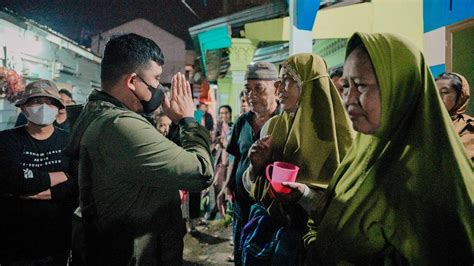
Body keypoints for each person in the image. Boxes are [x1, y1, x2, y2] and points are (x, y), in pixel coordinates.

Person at [304, 32, 474, 265]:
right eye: (346, 86)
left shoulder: (433, 183)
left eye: (361, 86)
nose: (348, 99)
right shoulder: (364, 150)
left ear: (400, 88)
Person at [67, 33, 213, 265]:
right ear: (132, 81)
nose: (158, 87)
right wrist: (188, 121)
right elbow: (200, 172)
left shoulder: (106, 117)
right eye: (155, 78)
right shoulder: (121, 126)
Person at [243, 53, 353, 264]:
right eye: (279, 81)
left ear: (308, 85)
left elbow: (346, 202)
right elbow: (251, 185)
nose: (280, 88)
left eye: (288, 80)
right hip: (276, 239)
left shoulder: (342, 135)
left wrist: (304, 195)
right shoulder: (273, 127)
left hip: (321, 244)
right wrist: (255, 167)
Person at [0, 79, 77, 265]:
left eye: (49, 102)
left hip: (56, 243)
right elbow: (13, 182)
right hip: (14, 245)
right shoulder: (7, 140)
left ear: (58, 107)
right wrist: (61, 176)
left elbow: (78, 185)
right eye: (36, 101)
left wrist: (31, 186)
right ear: (24, 107)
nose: (43, 107)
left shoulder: (70, 142)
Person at [226, 62, 280, 265]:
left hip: (269, 210)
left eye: (259, 88)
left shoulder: (284, 122)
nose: (251, 95)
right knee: (241, 253)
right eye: (248, 89)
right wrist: (228, 186)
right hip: (241, 205)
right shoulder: (242, 122)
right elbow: (236, 156)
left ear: (276, 88)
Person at [436, 72, 474, 161]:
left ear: (460, 96)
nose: (438, 97)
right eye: (435, 92)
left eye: (445, 92)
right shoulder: (422, 122)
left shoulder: (469, 127)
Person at [207, 105, 234, 219]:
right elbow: (211, 144)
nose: (224, 115)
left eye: (226, 113)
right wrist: (217, 141)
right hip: (220, 161)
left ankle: (226, 210)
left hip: (230, 160)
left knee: (228, 186)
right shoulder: (218, 127)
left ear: (230, 114)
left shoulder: (234, 126)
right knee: (217, 184)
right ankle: (218, 208)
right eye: (221, 113)